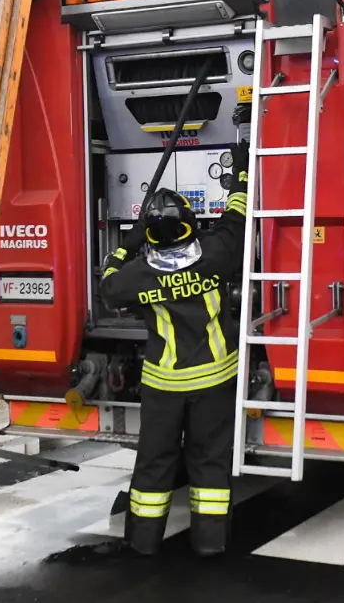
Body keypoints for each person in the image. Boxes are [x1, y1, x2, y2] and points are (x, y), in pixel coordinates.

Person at [99, 144, 249, 556]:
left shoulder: (139, 274)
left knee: (154, 465)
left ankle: (143, 545)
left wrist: (126, 246)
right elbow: (237, 217)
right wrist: (240, 169)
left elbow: (108, 282)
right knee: (210, 464)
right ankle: (210, 544)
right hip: (216, 379)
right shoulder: (217, 254)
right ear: (191, 225)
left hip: (163, 386)